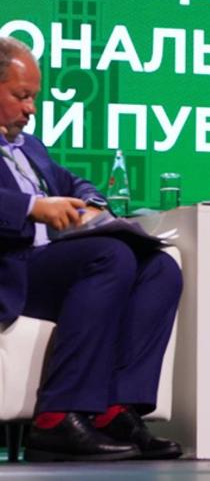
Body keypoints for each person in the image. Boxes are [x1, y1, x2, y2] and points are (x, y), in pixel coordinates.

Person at [0, 36, 183, 462]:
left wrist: (93, 203)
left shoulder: (30, 147)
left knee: (160, 267)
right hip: (11, 266)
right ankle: (55, 419)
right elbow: (33, 205)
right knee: (109, 255)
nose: (31, 109)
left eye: (34, 98)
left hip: (49, 266)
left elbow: (73, 182)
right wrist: (33, 207)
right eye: (22, 96)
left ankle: (115, 410)